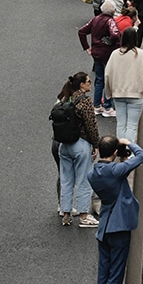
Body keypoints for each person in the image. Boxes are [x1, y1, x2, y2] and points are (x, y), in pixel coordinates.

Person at [91, 135, 143, 284]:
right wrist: (128, 142)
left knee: (104, 272)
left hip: (105, 225)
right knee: (116, 273)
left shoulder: (94, 173)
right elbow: (142, 155)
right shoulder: (116, 170)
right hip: (119, 226)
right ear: (115, 152)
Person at [54, 72, 100, 228]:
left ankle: (66, 214)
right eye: (88, 81)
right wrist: (95, 144)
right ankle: (83, 216)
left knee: (66, 180)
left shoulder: (65, 98)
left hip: (63, 146)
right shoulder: (85, 101)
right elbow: (91, 125)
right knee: (83, 180)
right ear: (81, 85)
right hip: (80, 145)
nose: (90, 83)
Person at [104, 27, 143, 143]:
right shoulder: (142, 54)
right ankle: (129, 152)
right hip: (136, 94)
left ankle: (120, 148)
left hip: (118, 93)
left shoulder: (115, 54)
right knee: (132, 125)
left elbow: (107, 74)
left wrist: (109, 93)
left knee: (121, 124)